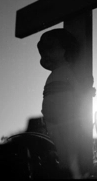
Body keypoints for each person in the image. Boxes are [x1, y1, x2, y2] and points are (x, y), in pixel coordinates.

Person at [37, 28, 81, 178]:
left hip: (65, 114)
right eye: (44, 50)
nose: (47, 53)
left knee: (68, 147)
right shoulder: (55, 74)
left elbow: (78, 90)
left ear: (65, 49)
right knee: (59, 146)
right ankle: (64, 168)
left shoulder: (67, 71)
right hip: (51, 116)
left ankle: (71, 171)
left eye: (51, 48)